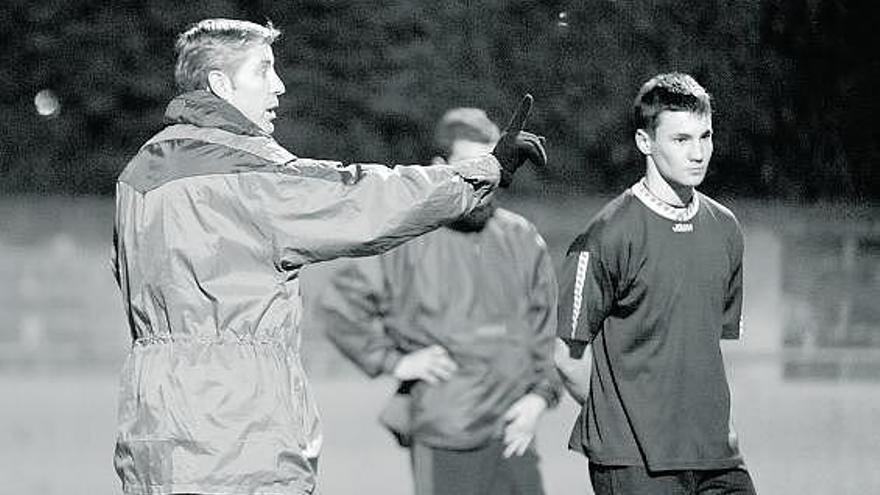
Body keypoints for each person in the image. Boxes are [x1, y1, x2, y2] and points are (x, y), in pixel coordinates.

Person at [110, 19, 545, 495]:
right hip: (234, 434)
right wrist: (483, 171)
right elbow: (364, 198)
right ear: (220, 84)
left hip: (152, 428)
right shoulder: (247, 174)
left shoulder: (138, 176)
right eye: (263, 70)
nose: (278, 86)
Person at [311, 107, 560, 495]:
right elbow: (339, 306)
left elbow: (544, 328)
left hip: (514, 429)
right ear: (440, 165)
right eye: (473, 164)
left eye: (492, 163)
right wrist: (395, 361)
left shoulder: (522, 237)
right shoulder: (407, 238)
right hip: (445, 429)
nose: (485, 177)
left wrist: (540, 397)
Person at [553, 73, 757, 494]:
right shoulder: (606, 235)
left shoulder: (726, 229)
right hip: (634, 462)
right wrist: (620, 418)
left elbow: (705, 344)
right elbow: (566, 356)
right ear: (645, 142)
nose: (698, 153)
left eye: (705, 136)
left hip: (715, 454)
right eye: (681, 140)